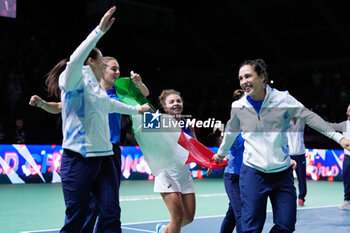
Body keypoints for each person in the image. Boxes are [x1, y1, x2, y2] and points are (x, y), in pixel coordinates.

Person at [39, 6, 151, 233]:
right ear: (92, 62)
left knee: (111, 214)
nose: (113, 69)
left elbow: (111, 105)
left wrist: (138, 110)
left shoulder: (99, 90)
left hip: (106, 159)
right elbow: (75, 59)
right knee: (78, 219)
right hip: (78, 159)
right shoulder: (72, 80)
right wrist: (99, 31)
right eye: (104, 62)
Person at [213, 59, 350, 233]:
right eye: (240, 78)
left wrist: (338, 137)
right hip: (253, 173)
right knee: (251, 229)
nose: (243, 81)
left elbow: (309, 117)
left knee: (286, 225)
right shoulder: (239, 105)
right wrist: (221, 153)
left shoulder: (282, 99)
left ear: (262, 77)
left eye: (248, 76)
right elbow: (231, 132)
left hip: (282, 173)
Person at [155, 89, 196, 233]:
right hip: (167, 174)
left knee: (189, 217)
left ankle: (164, 230)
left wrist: (208, 161)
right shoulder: (159, 122)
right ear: (165, 107)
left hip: (184, 174)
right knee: (177, 217)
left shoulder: (187, 124)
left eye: (178, 101)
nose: (176, 104)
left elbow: (196, 148)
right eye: (171, 102)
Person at [329, 104, 350, 210]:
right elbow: (331, 126)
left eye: (349, 111)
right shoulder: (345, 125)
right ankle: (347, 200)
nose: (348, 113)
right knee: (346, 180)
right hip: (347, 157)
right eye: (347, 110)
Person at [287, 117, 307, 206]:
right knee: (288, 178)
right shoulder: (285, 122)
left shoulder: (301, 122)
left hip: (300, 154)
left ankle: (301, 198)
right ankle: (289, 197)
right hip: (289, 154)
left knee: (301, 178)